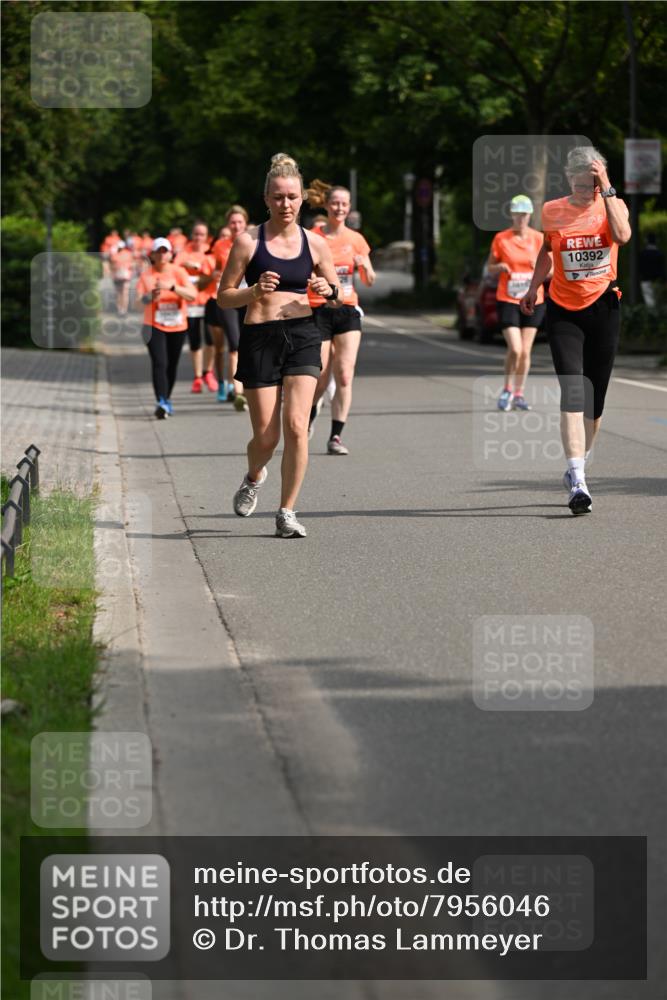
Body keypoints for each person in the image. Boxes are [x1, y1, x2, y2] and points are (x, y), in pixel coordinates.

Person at [218, 153, 340, 538]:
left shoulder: (316, 244)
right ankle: (254, 475)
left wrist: (327, 289)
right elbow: (223, 297)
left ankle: (287, 511)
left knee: (297, 428)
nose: (285, 204)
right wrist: (253, 291)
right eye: (277, 197)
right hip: (260, 338)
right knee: (267, 438)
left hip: (304, 335)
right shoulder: (247, 242)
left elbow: (337, 293)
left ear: (303, 198)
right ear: (266, 199)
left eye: (291, 197)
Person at [521, 146, 631, 515]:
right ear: (569, 179)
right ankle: (578, 479)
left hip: (604, 306)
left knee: (594, 403)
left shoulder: (611, 204)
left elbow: (623, 235)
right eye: (582, 185)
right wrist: (534, 286)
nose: (588, 193)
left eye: (593, 185)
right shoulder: (552, 210)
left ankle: (579, 463)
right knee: (573, 390)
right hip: (563, 309)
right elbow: (548, 250)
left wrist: (608, 189)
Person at [305, 180, 375, 454]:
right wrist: (314, 279)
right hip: (319, 309)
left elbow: (369, 280)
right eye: (335, 203)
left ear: (349, 208)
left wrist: (364, 266)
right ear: (326, 204)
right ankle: (308, 417)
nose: (340, 208)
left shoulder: (356, 239)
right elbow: (301, 270)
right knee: (320, 375)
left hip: (347, 309)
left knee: (344, 375)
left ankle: (335, 436)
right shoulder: (313, 236)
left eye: (344, 204)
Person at [487, 194, 547, 411]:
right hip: (508, 298)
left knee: (525, 351)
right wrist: (500, 268)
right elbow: (490, 267)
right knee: (515, 347)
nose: (520, 218)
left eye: (524, 214)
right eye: (517, 214)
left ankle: (519, 393)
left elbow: (552, 271)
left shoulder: (539, 238)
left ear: (530, 215)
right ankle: (506, 389)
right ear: (511, 215)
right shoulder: (501, 239)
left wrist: (538, 267)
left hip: (534, 299)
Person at [135, 238, 196, 419]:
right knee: (160, 363)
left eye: (165, 251)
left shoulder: (179, 272)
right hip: (152, 326)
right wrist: (149, 297)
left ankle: (166, 399)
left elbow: (192, 295)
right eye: (158, 251)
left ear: (170, 254)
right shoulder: (146, 276)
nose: (162, 254)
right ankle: (161, 401)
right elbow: (137, 305)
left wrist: (172, 287)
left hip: (177, 325)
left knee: (172, 365)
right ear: (152, 255)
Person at [174, 221, 219, 394]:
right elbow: (176, 270)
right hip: (191, 302)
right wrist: (187, 266)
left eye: (201, 234)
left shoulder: (210, 251)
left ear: (206, 236)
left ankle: (209, 372)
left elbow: (216, 271)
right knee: (194, 340)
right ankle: (197, 376)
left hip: (208, 300)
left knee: (210, 339)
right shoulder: (184, 252)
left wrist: (199, 269)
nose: (198, 238)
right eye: (195, 234)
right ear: (191, 235)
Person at [213, 205, 251, 408]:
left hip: (248, 296)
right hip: (228, 298)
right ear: (228, 225)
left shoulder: (253, 241)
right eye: (233, 222)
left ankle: (247, 385)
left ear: (245, 223)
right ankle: (238, 392)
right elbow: (216, 269)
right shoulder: (220, 245)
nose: (236, 226)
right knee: (234, 344)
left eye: (240, 222)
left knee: (249, 343)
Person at [108, 240, 134, 317]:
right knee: (124, 293)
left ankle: (120, 310)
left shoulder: (115, 255)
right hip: (126, 276)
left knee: (119, 293)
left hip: (118, 276)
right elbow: (132, 265)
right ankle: (123, 310)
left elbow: (112, 266)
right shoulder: (128, 254)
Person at [639, 232, 665, 309]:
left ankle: (651, 318)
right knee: (657, 302)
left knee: (649, 302)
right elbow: (662, 269)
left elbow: (640, 268)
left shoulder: (643, 254)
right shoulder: (659, 254)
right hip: (657, 281)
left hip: (645, 281)